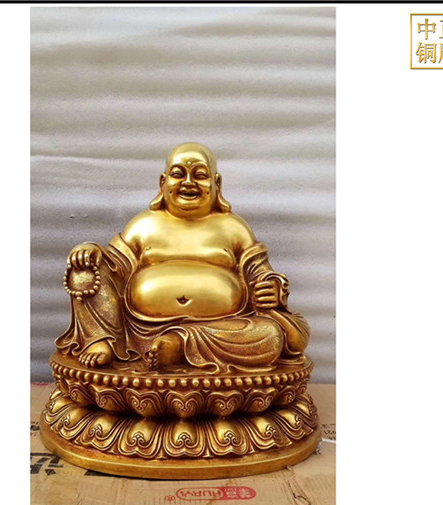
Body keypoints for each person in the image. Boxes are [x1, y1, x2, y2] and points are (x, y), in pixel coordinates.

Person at [56, 143, 309, 374]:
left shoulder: (234, 228)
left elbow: (261, 274)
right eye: (178, 174)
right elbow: (113, 266)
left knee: (269, 336)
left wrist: (272, 289)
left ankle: (177, 345)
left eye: (200, 175)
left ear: (216, 184)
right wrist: (90, 250)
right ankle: (102, 340)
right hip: (139, 332)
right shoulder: (144, 225)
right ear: (163, 182)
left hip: (220, 329)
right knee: (84, 270)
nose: (188, 183)